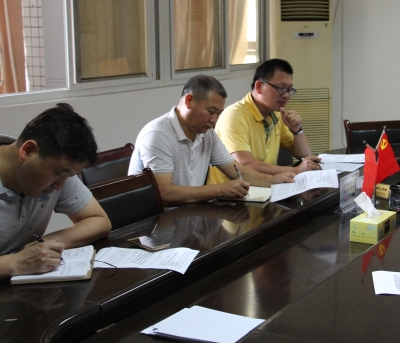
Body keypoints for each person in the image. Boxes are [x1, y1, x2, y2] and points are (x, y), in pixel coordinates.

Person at [129, 75, 295, 207]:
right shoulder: (158, 135)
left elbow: (236, 170)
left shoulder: (207, 134)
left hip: (191, 212)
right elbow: (164, 193)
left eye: (218, 114)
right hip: (156, 222)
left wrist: (272, 180)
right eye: (210, 111)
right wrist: (218, 190)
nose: (214, 120)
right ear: (189, 101)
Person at [0, 104, 111, 279]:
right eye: (58, 173)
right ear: (28, 151)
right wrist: (15, 263)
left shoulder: (59, 171)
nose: (59, 186)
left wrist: (43, 246)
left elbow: (98, 221)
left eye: (68, 176)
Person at [214, 59, 321, 176]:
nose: (286, 95)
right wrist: (295, 171)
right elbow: (244, 164)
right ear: (259, 86)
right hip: (233, 186)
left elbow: (304, 155)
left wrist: (297, 130)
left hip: (266, 183)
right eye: (280, 88)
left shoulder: (277, 114)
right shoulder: (234, 116)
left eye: (289, 89)